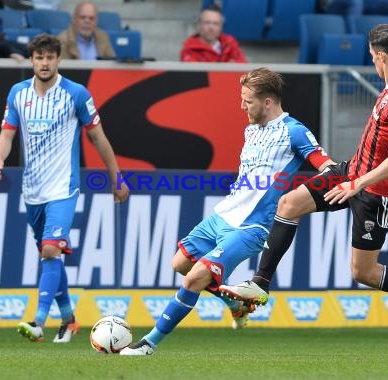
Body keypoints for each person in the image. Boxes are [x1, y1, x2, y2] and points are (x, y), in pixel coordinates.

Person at [221, 24, 388, 346]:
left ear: (380, 56)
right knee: (289, 203)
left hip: (376, 191)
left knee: (364, 272)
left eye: (373, 58)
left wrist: (364, 179)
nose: (373, 63)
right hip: (353, 171)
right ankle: (260, 284)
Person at [119, 67, 334, 356]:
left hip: (251, 227)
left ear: (267, 102)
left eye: (248, 101)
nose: (241, 106)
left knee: (193, 279)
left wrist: (312, 193)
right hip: (222, 215)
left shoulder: (293, 131)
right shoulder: (251, 130)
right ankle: (235, 303)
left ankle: (149, 344)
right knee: (180, 264)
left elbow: (327, 166)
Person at [0, 34, 129, 343]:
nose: (44, 62)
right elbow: (7, 134)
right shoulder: (18, 93)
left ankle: (38, 321)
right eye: (39, 57)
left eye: (50, 57)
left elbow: (98, 138)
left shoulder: (76, 94)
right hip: (32, 189)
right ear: (31, 61)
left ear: (58, 60)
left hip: (63, 187)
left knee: (51, 249)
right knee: (48, 255)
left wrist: (116, 177)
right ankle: (69, 319)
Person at [180, 4, 247, 63]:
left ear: (221, 26)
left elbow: (242, 64)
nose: (211, 27)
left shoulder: (230, 43)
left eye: (215, 23)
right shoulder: (189, 49)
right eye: (207, 22)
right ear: (199, 25)